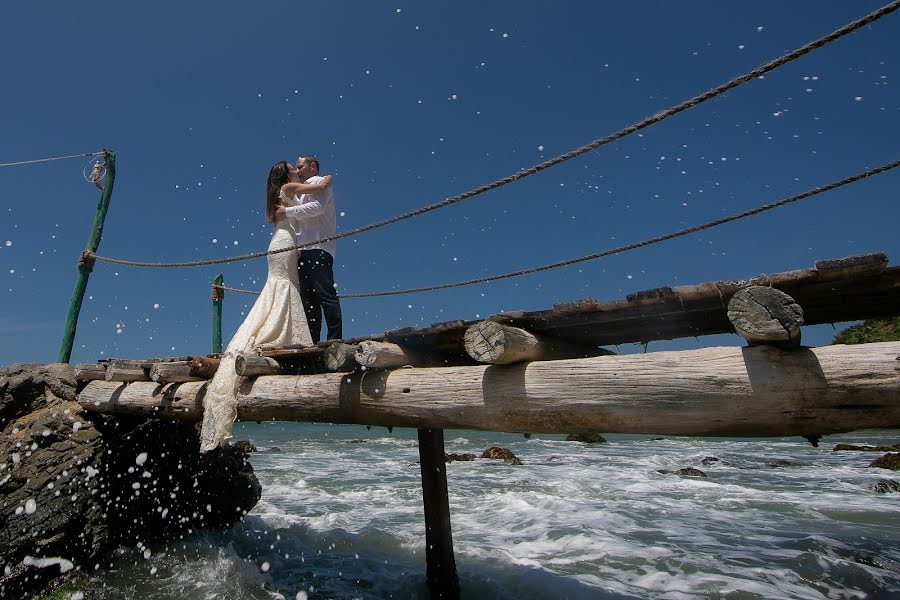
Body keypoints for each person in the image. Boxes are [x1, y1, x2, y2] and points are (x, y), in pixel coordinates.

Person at [199, 161, 332, 452]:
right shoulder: (288, 187)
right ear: (285, 175)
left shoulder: (278, 192)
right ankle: (279, 332)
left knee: (281, 287)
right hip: (285, 243)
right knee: (283, 287)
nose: (295, 170)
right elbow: (319, 187)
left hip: (281, 242)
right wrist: (326, 177)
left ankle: (281, 331)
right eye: (291, 168)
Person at [274, 155, 343, 343]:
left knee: (325, 294)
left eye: (301, 166)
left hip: (319, 246)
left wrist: (286, 212)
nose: (298, 170)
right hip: (303, 249)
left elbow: (318, 207)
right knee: (308, 300)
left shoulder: (320, 182)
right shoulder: (300, 191)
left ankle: (334, 339)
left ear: (313, 166)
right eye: (295, 167)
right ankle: (312, 341)